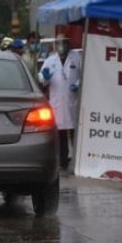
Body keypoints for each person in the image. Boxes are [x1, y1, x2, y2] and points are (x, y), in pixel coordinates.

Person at [38, 34, 82, 172]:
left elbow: (83, 75)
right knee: (61, 132)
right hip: (57, 100)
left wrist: (77, 84)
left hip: (72, 99)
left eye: (64, 42)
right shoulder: (50, 60)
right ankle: (63, 161)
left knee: (75, 131)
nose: (62, 46)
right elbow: (41, 78)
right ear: (55, 45)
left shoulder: (77, 57)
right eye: (59, 43)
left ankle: (77, 159)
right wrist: (44, 78)